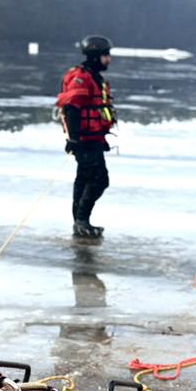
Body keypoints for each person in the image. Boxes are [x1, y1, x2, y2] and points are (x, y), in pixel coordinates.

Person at [56, 35, 117, 238]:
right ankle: (81, 220)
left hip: (94, 139)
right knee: (99, 180)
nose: (108, 59)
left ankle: (81, 223)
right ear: (94, 56)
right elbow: (72, 107)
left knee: (84, 179)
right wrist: (73, 140)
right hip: (85, 140)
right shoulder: (82, 77)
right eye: (105, 55)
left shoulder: (94, 77)